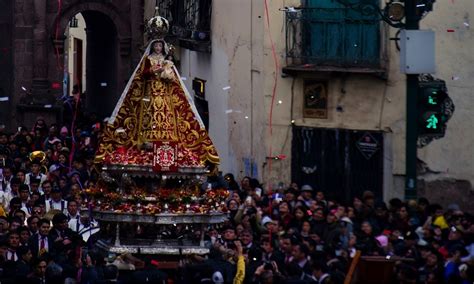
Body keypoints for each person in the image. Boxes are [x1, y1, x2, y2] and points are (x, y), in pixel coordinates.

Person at [95, 38, 219, 169]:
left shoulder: (167, 60)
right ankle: (147, 140)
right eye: (156, 46)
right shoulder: (148, 59)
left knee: (166, 114)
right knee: (150, 115)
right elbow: (142, 74)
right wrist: (153, 71)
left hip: (165, 93)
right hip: (150, 93)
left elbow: (173, 78)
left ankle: (167, 138)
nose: (158, 48)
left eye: (160, 46)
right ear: (152, 47)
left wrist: (167, 70)